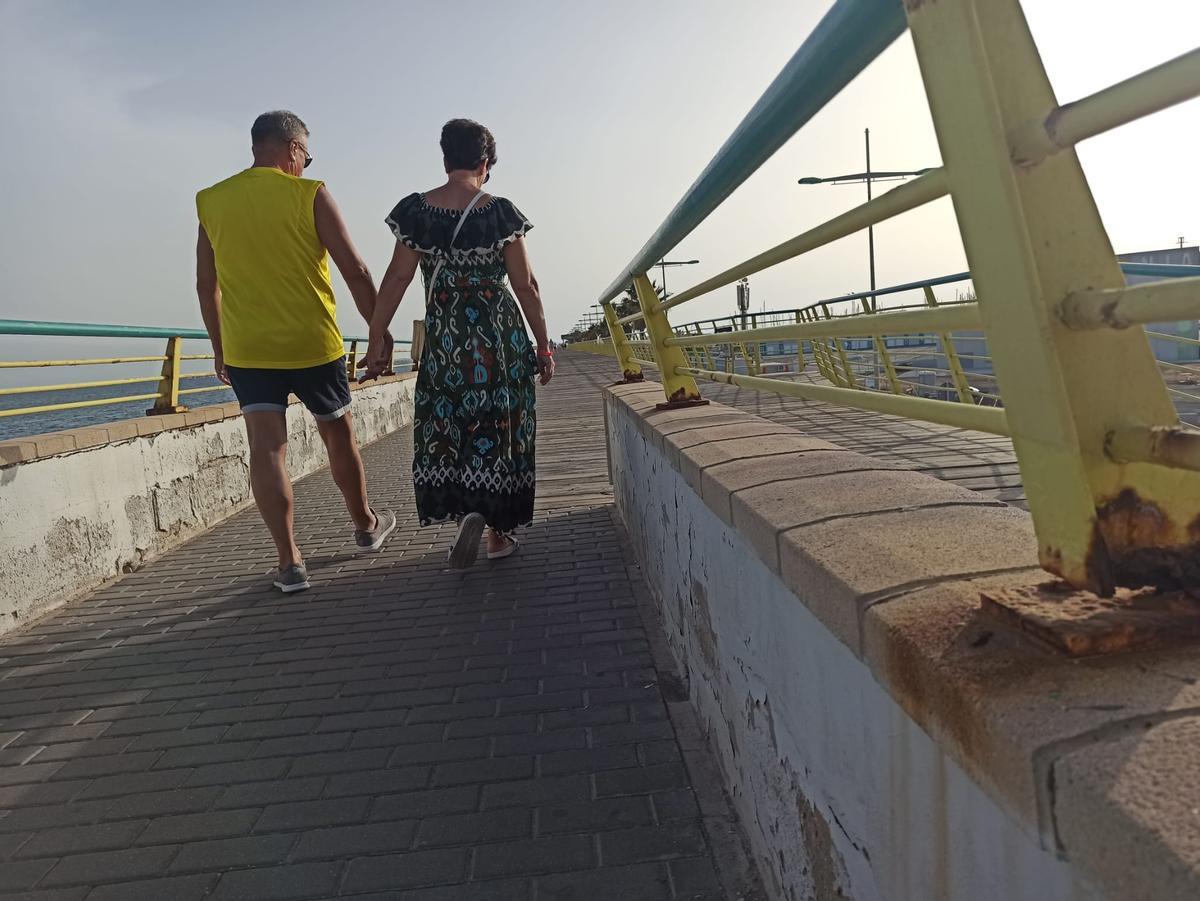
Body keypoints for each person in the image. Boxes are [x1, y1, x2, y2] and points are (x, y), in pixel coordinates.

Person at [195, 110, 396, 594]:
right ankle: (366, 526)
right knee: (339, 436)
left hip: (248, 349)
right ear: (292, 149)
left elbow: (206, 286)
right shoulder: (310, 193)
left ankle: (289, 562)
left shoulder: (211, 200)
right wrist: (378, 330)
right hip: (313, 344)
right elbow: (356, 270)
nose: (306, 163)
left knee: (267, 449)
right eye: (307, 154)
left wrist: (221, 348)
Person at [361, 118, 553, 568]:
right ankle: (497, 534)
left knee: (451, 418)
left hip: (446, 338)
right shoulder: (501, 213)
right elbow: (525, 285)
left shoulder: (416, 212)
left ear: (445, 159)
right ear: (485, 164)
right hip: (498, 338)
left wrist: (375, 336)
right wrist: (543, 346)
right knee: (498, 422)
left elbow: (397, 278)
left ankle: (467, 506)